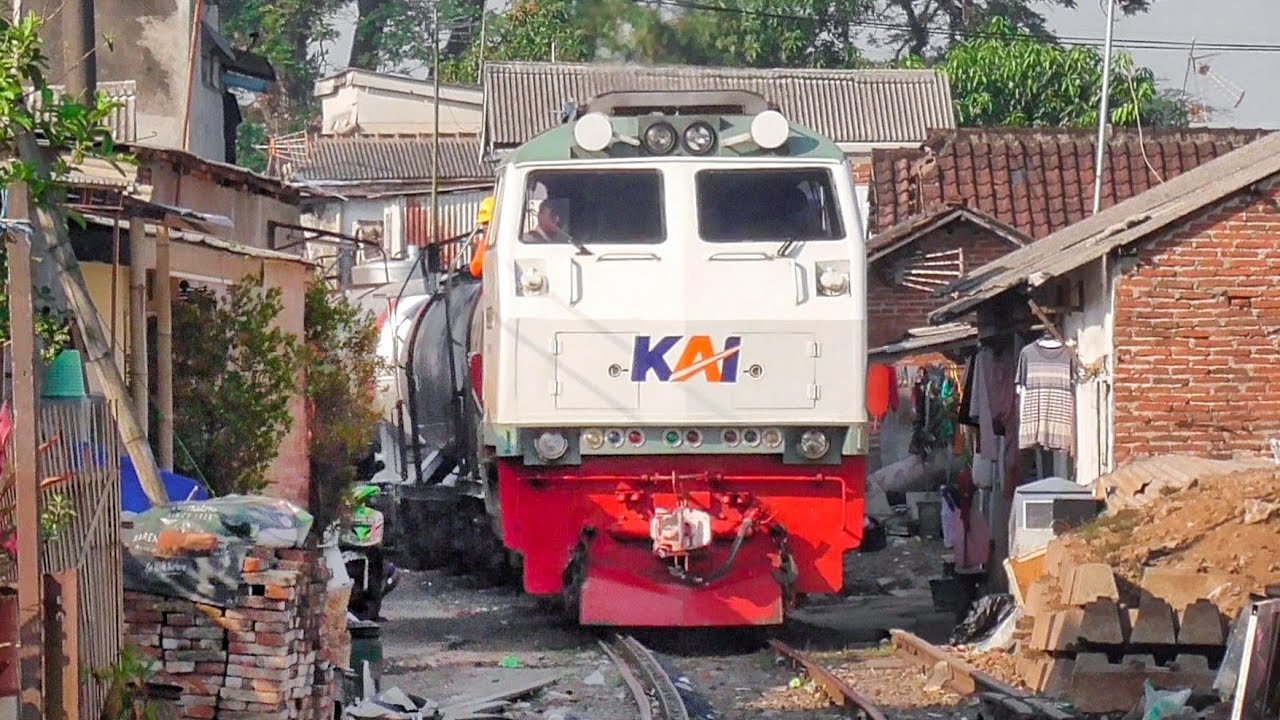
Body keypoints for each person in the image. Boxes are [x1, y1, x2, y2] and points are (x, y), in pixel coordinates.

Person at [467, 196, 495, 278]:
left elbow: (476, 269)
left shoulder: (489, 242)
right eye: (484, 223)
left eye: (487, 222)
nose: (485, 226)